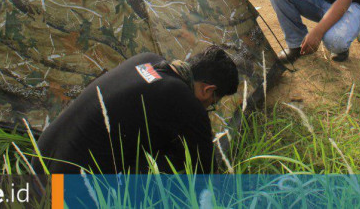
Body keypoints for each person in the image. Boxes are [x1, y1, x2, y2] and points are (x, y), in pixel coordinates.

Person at [32, 46, 239, 174]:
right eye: (213, 102)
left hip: (40, 162)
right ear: (208, 90)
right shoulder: (185, 101)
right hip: (72, 188)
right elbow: (205, 174)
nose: (209, 107)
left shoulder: (146, 60)